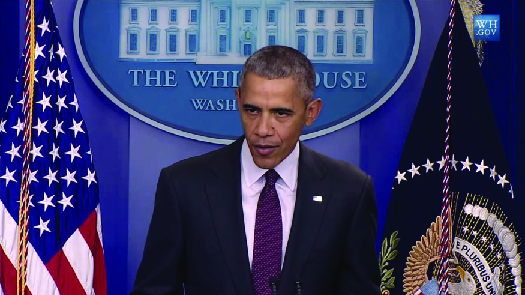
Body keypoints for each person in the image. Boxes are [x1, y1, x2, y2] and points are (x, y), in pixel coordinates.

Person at [131, 46, 381, 295]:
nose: (262, 129)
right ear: (238, 100)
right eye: (252, 110)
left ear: (311, 112)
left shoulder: (349, 191)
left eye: (280, 113)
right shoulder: (184, 186)